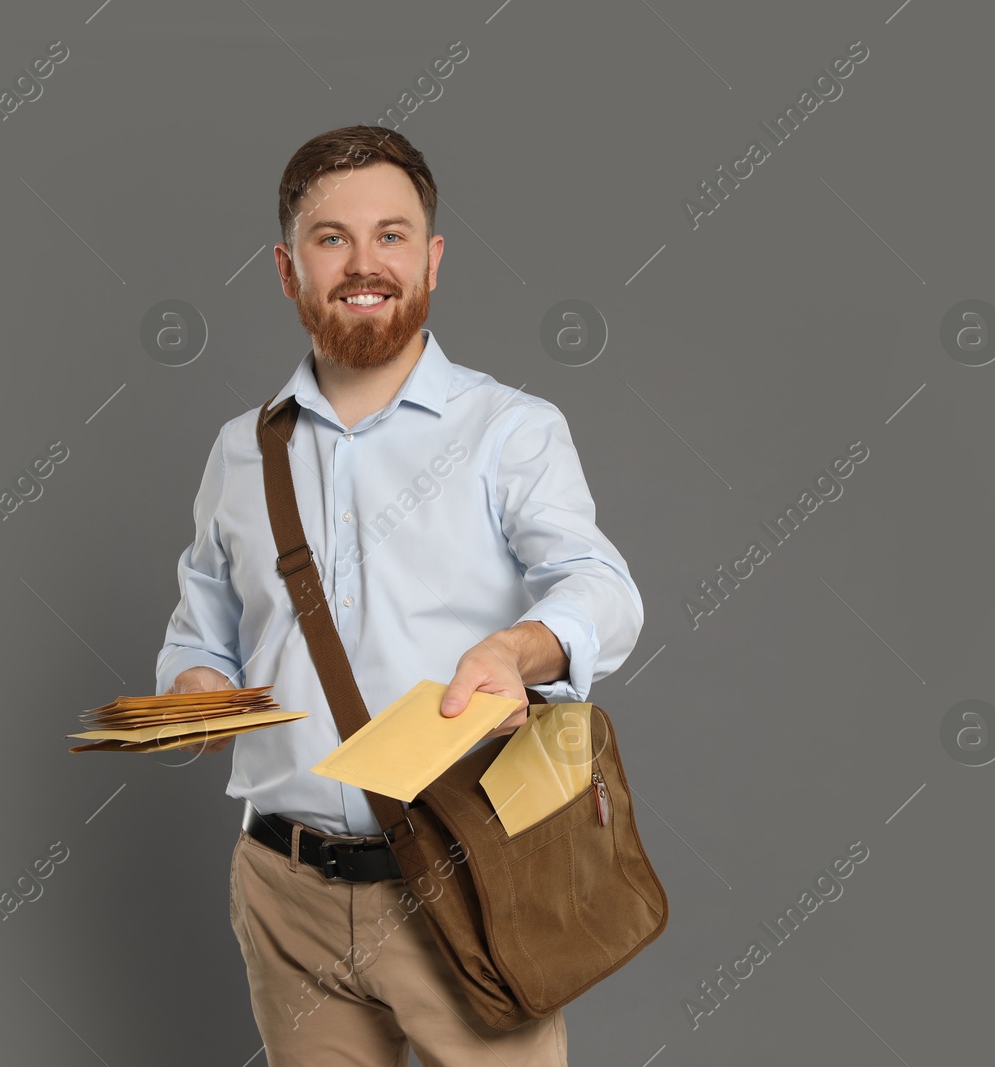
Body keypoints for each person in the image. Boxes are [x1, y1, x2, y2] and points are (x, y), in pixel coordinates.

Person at [154, 126, 644, 1066]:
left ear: (433, 258)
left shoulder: (511, 430)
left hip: (466, 873)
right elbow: (201, 630)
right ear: (288, 269)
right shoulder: (238, 451)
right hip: (282, 890)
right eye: (331, 237)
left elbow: (603, 588)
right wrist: (193, 688)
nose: (364, 263)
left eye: (392, 234)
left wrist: (516, 652)